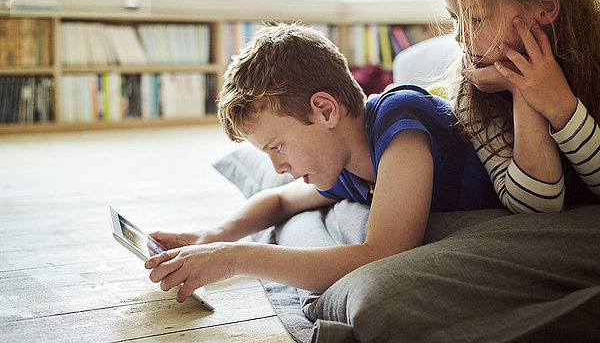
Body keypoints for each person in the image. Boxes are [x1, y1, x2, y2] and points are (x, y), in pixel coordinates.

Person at [144, 23, 501, 303]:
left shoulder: (399, 119)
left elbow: (384, 252)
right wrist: (211, 237)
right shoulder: (343, 164)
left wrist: (233, 258)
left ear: (326, 110)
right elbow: (281, 199)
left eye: (278, 146)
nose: (278, 167)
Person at [437, 0, 600, 213]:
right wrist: (520, 88)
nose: (458, 35)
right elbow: (537, 207)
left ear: (544, 9)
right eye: (454, 17)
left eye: (476, 18)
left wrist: (560, 105)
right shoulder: (472, 87)